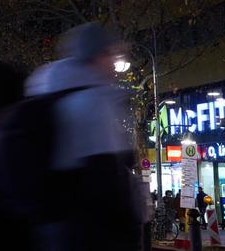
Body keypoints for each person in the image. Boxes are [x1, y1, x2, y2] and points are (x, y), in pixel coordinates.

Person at [26, 22, 144, 250]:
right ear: (98, 56)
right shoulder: (92, 102)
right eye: (111, 54)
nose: (114, 62)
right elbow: (107, 177)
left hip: (56, 232)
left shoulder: (52, 93)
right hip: (91, 233)